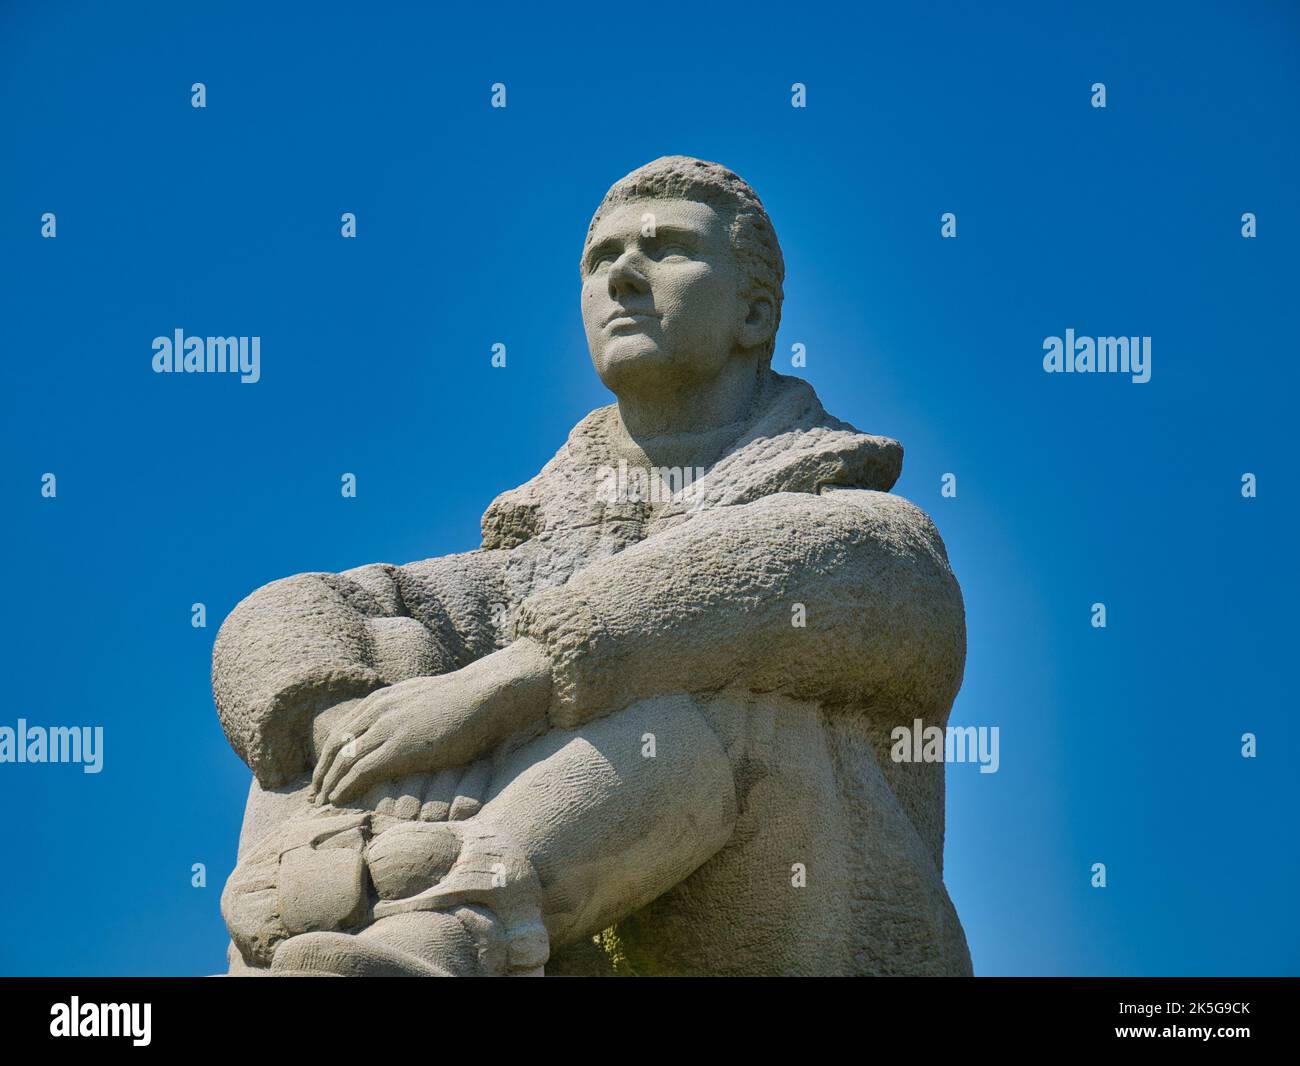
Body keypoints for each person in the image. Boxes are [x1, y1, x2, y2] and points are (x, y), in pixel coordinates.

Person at [216, 156, 971, 976]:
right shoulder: (541, 542)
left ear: (755, 313)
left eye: (668, 249)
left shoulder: (858, 524)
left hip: (806, 938)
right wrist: (339, 723)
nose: (624, 278)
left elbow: (858, 568)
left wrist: (511, 683)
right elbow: (310, 606)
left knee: (719, 700)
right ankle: (330, 922)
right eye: (600, 260)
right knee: (378, 668)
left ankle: (447, 927)